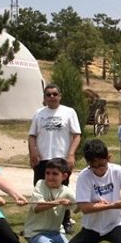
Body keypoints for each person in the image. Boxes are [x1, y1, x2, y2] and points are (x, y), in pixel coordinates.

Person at [29, 85, 82, 234]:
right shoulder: (39, 113)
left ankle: (65, 221)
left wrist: (71, 155)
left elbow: (77, 135)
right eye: (48, 94)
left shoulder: (69, 112)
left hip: (61, 160)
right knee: (39, 189)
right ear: (44, 97)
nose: (52, 97)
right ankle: (36, 223)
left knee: (62, 191)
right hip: (42, 159)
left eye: (54, 94)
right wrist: (33, 154)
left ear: (60, 95)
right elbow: (32, 136)